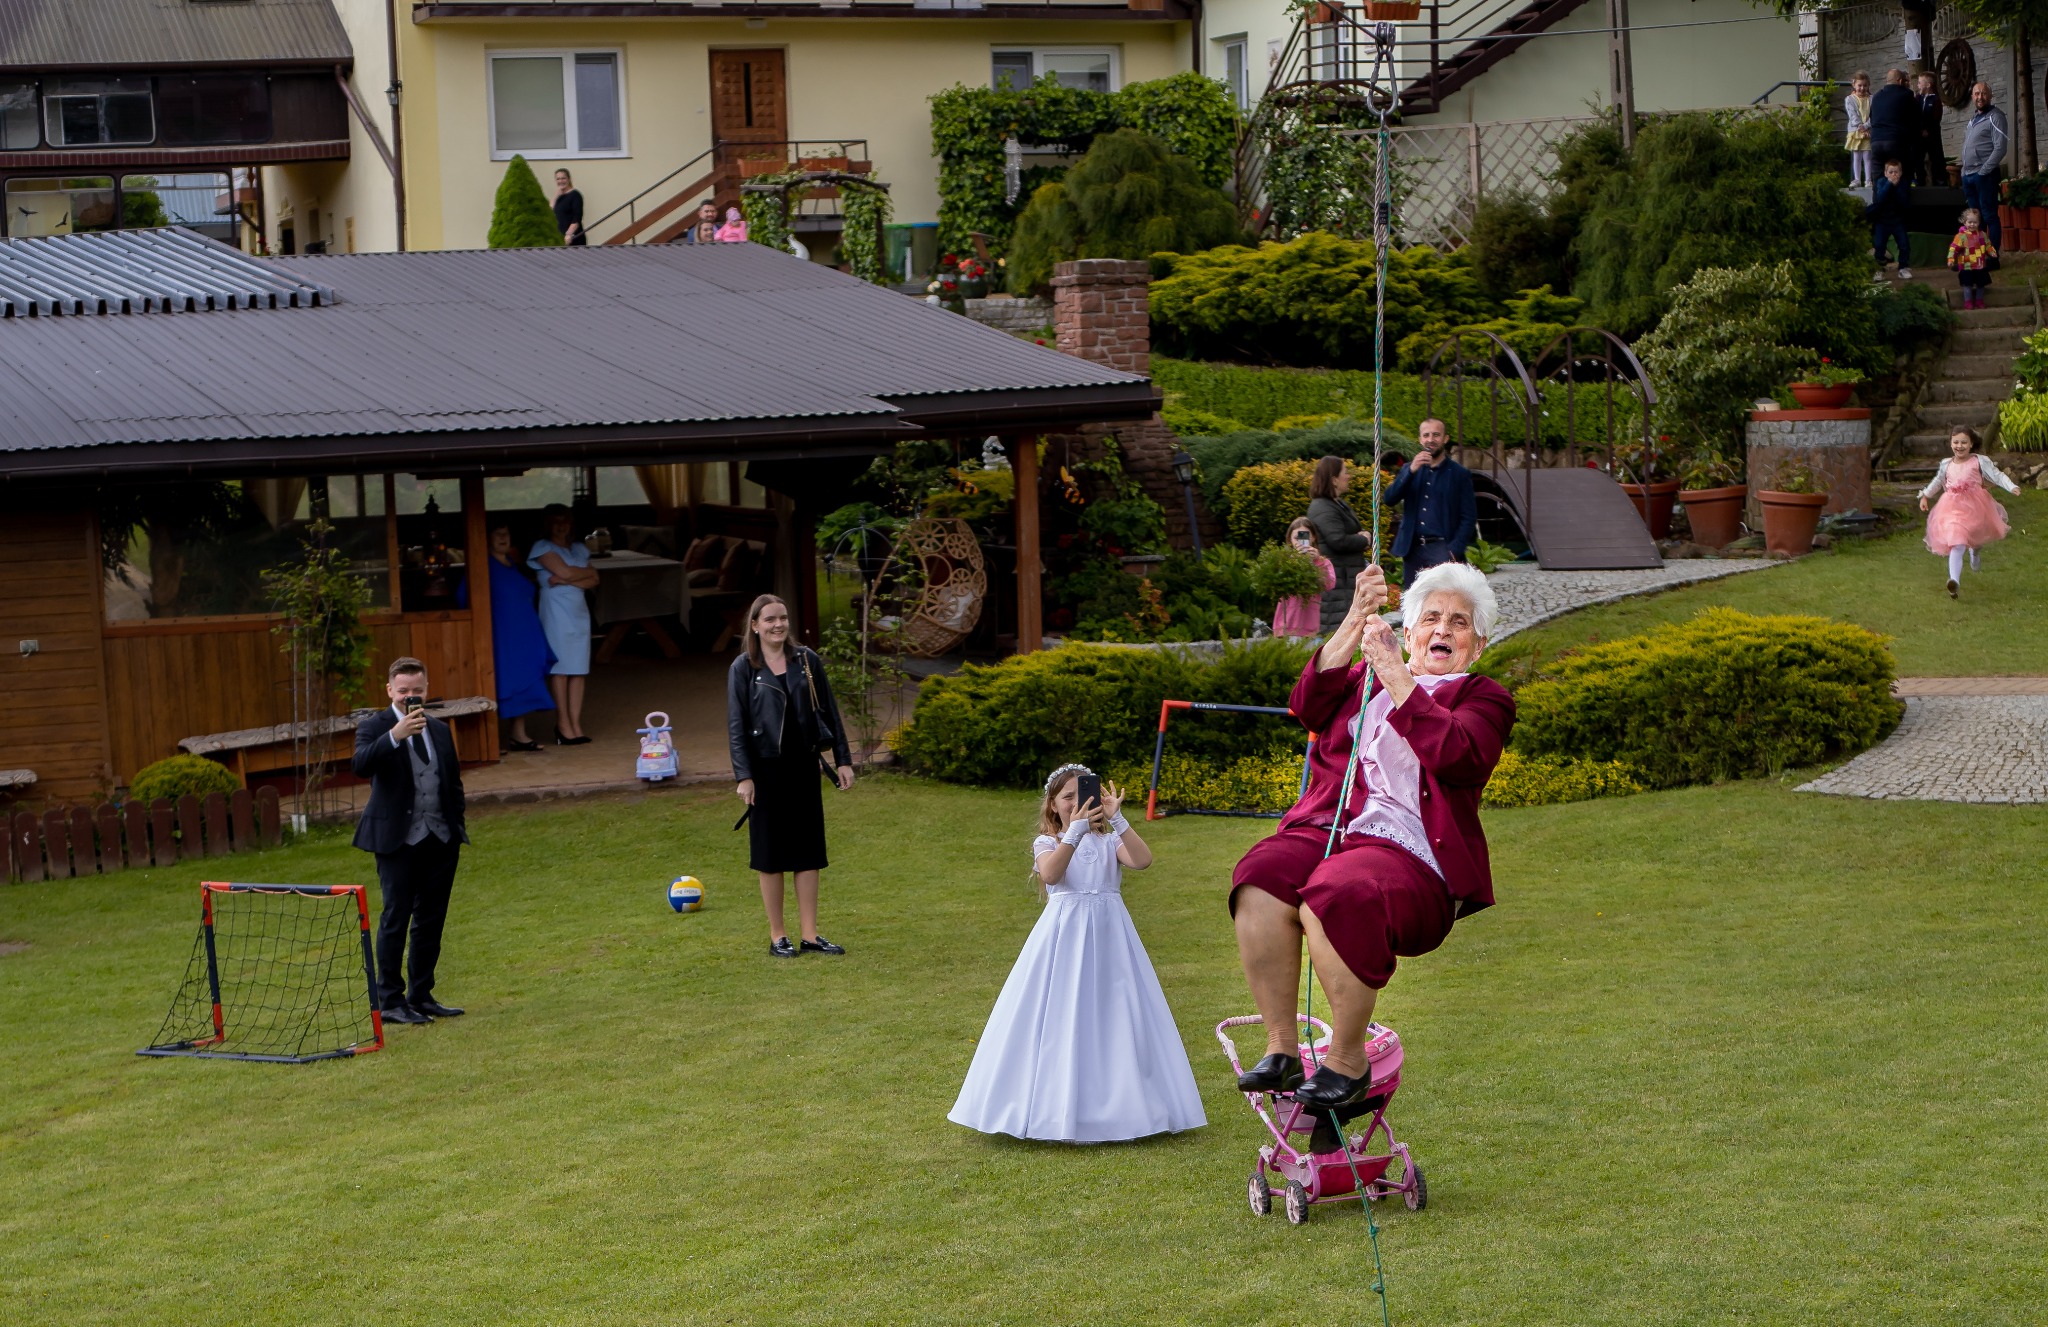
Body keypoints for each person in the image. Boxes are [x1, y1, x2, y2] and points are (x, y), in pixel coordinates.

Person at [1230, 563, 1515, 1107]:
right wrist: (1356, 617)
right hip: (1331, 825)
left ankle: (1347, 1059)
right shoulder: (1363, 678)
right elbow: (1307, 705)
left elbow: (1457, 754)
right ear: (1408, 632)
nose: (1441, 630)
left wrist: (1396, 674)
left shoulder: (1483, 698)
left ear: (1476, 645)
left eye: (1457, 623)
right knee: (1260, 876)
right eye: (1429, 618)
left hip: (1409, 848)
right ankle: (1282, 1048)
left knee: (1337, 893)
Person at [947, 767, 1205, 1143]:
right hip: (1063, 939)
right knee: (1060, 1011)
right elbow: (1051, 875)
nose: (1076, 803)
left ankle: (1123, 1107)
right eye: (1067, 797)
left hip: (1110, 937)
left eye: (1083, 795)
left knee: (1115, 1012)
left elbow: (1142, 860)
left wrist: (1117, 818)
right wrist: (1075, 832)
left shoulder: (1108, 840)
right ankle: (1050, 1109)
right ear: (1053, 804)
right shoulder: (1047, 842)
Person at [727, 593, 855, 958]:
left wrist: (842, 759)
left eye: (782, 617)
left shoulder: (807, 661)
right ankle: (778, 935)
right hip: (765, 770)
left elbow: (829, 711)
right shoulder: (743, 668)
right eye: (769, 619)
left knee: (808, 851)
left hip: (804, 765)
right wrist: (744, 776)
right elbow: (736, 727)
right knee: (770, 854)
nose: (778, 625)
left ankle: (811, 935)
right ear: (755, 625)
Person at [351, 657, 470, 1025]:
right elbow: (360, 766)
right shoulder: (375, 727)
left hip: (440, 835)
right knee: (396, 916)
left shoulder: (439, 729)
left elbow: (452, 782)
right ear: (389, 690)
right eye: (403, 691)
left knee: (431, 918)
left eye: (417, 691)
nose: (410, 697)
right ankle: (390, 1001)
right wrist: (396, 736)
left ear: (426, 689)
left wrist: (456, 825)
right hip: (397, 839)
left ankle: (422, 994)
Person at [457, 523, 556, 752]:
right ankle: (492, 739)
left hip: (524, 634)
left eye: (507, 533)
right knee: (502, 682)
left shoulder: (512, 564)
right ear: (487, 538)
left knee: (523, 680)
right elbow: (464, 596)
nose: (503, 538)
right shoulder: (483, 566)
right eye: (497, 534)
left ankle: (518, 735)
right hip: (501, 636)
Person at [1919, 425, 2022, 598]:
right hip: (1951, 507)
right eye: (1956, 442)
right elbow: (1938, 481)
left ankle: (1975, 553)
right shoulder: (1946, 464)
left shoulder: (1979, 461)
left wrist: (2012, 486)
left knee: (1974, 537)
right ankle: (1954, 581)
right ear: (1951, 443)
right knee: (1957, 542)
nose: (1959, 446)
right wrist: (1925, 495)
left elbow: (1996, 476)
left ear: (1971, 443)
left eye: (1964, 442)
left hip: (1976, 505)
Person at [528, 504, 597, 745]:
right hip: (556, 614)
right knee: (561, 670)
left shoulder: (579, 548)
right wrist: (577, 576)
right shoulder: (542, 548)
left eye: (565, 519)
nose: (561, 524)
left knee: (579, 670)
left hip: (579, 614)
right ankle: (563, 724)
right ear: (547, 523)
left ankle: (576, 725)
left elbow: (594, 578)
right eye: (555, 520)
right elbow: (570, 574)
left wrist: (567, 577)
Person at [1384, 417, 1477, 588]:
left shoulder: (1459, 474)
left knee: (1445, 601)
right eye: (1426, 435)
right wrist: (1411, 471)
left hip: (1443, 547)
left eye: (1436, 435)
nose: (1431, 440)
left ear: (1445, 439)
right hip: (1413, 548)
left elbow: (1469, 516)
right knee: (1413, 603)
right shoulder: (1409, 469)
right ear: (1420, 439)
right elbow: (1389, 499)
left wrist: (1454, 548)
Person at [1307, 455, 1370, 634]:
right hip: (1337, 583)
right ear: (1334, 479)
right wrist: (1364, 539)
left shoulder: (1337, 504)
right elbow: (1338, 541)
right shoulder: (1322, 507)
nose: (1348, 476)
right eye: (1345, 472)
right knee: (1338, 631)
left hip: (1347, 579)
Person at [1960, 82, 2009, 255]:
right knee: (1975, 219)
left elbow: (2000, 148)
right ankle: (1977, 256)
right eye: (1976, 93)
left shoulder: (1995, 117)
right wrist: (1963, 172)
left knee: (1989, 216)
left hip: (1985, 176)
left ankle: (1992, 257)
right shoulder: (1973, 120)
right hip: (1969, 176)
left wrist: (1983, 171)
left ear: (1990, 95)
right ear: (1972, 96)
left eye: (1983, 93)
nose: (1980, 97)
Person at [1272, 516, 1336, 639]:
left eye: (1305, 536)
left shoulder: (1322, 562)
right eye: (1296, 538)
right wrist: (1291, 562)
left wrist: (1318, 562)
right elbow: (1276, 585)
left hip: (1308, 626)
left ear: (1313, 538)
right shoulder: (1284, 561)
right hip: (1285, 624)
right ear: (1290, 540)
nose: (1300, 542)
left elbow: (1329, 584)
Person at [1867, 159, 1914, 281]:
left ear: (1901, 172)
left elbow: (1904, 201)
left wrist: (1896, 186)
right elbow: (1880, 198)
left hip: (1897, 220)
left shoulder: (1903, 183)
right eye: (1891, 172)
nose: (1894, 175)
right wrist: (1889, 184)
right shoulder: (1881, 182)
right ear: (1886, 173)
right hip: (1882, 220)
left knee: (1904, 245)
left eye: (1896, 172)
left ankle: (1903, 268)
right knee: (1879, 245)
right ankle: (1878, 269)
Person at [1869, 69, 1917, 187]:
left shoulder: (1876, 96)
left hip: (1876, 141)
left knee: (1878, 178)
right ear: (1900, 81)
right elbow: (1915, 118)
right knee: (1901, 175)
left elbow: (1872, 117)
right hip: (1896, 141)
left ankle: (1878, 202)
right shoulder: (1907, 94)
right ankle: (1900, 203)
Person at [1948, 207, 1998, 309]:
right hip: (1967, 267)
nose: (1972, 224)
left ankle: (1979, 300)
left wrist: (1992, 252)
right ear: (1964, 222)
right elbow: (1953, 248)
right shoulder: (1961, 236)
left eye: (1975, 222)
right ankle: (1968, 302)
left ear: (1979, 223)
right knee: (1967, 285)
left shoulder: (1982, 235)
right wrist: (1951, 259)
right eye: (1969, 222)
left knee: (1981, 285)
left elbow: (1988, 245)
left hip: (1980, 266)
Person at [1913, 70, 1946, 187]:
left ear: (1928, 85)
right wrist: (1920, 129)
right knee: (1919, 159)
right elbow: (1915, 114)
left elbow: (1936, 117)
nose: (1918, 85)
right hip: (1919, 135)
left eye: (1920, 82)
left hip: (1933, 135)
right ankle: (1920, 182)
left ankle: (1940, 183)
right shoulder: (1917, 98)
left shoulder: (1936, 100)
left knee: (1936, 158)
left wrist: (1928, 129)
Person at [1844, 71, 1874, 188]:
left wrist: (1866, 126)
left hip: (1868, 130)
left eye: (1865, 85)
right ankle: (1857, 179)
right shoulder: (1850, 99)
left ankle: (1868, 179)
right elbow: (1853, 115)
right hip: (1856, 130)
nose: (1862, 88)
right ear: (1854, 85)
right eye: (1859, 85)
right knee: (1857, 155)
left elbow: (1873, 114)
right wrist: (1861, 127)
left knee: (1867, 155)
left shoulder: (1872, 98)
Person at [553, 169, 586, 247]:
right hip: (560, 238)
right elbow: (550, 212)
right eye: (558, 179)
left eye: (563, 178)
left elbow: (577, 218)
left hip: (573, 239)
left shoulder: (575, 195)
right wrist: (555, 195)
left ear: (569, 179)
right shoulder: (559, 197)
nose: (561, 181)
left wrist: (568, 234)